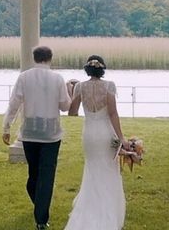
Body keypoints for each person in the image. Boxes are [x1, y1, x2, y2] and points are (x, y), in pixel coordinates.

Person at [2, 46, 72, 230]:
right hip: (51, 134)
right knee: (46, 176)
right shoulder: (58, 79)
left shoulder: (24, 77)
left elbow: (14, 103)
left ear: (34, 58)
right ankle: (41, 212)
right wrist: (69, 93)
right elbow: (65, 107)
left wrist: (7, 126)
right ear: (50, 58)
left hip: (30, 132)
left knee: (34, 173)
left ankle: (40, 214)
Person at [64, 55, 131, 230]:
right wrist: (121, 138)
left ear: (87, 69)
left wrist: (71, 92)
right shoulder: (109, 86)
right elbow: (112, 114)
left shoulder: (80, 87)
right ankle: (108, 212)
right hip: (105, 133)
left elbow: (72, 112)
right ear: (102, 69)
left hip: (89, 134)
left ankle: (89, 209)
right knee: (109, 170)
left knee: (92, 169)